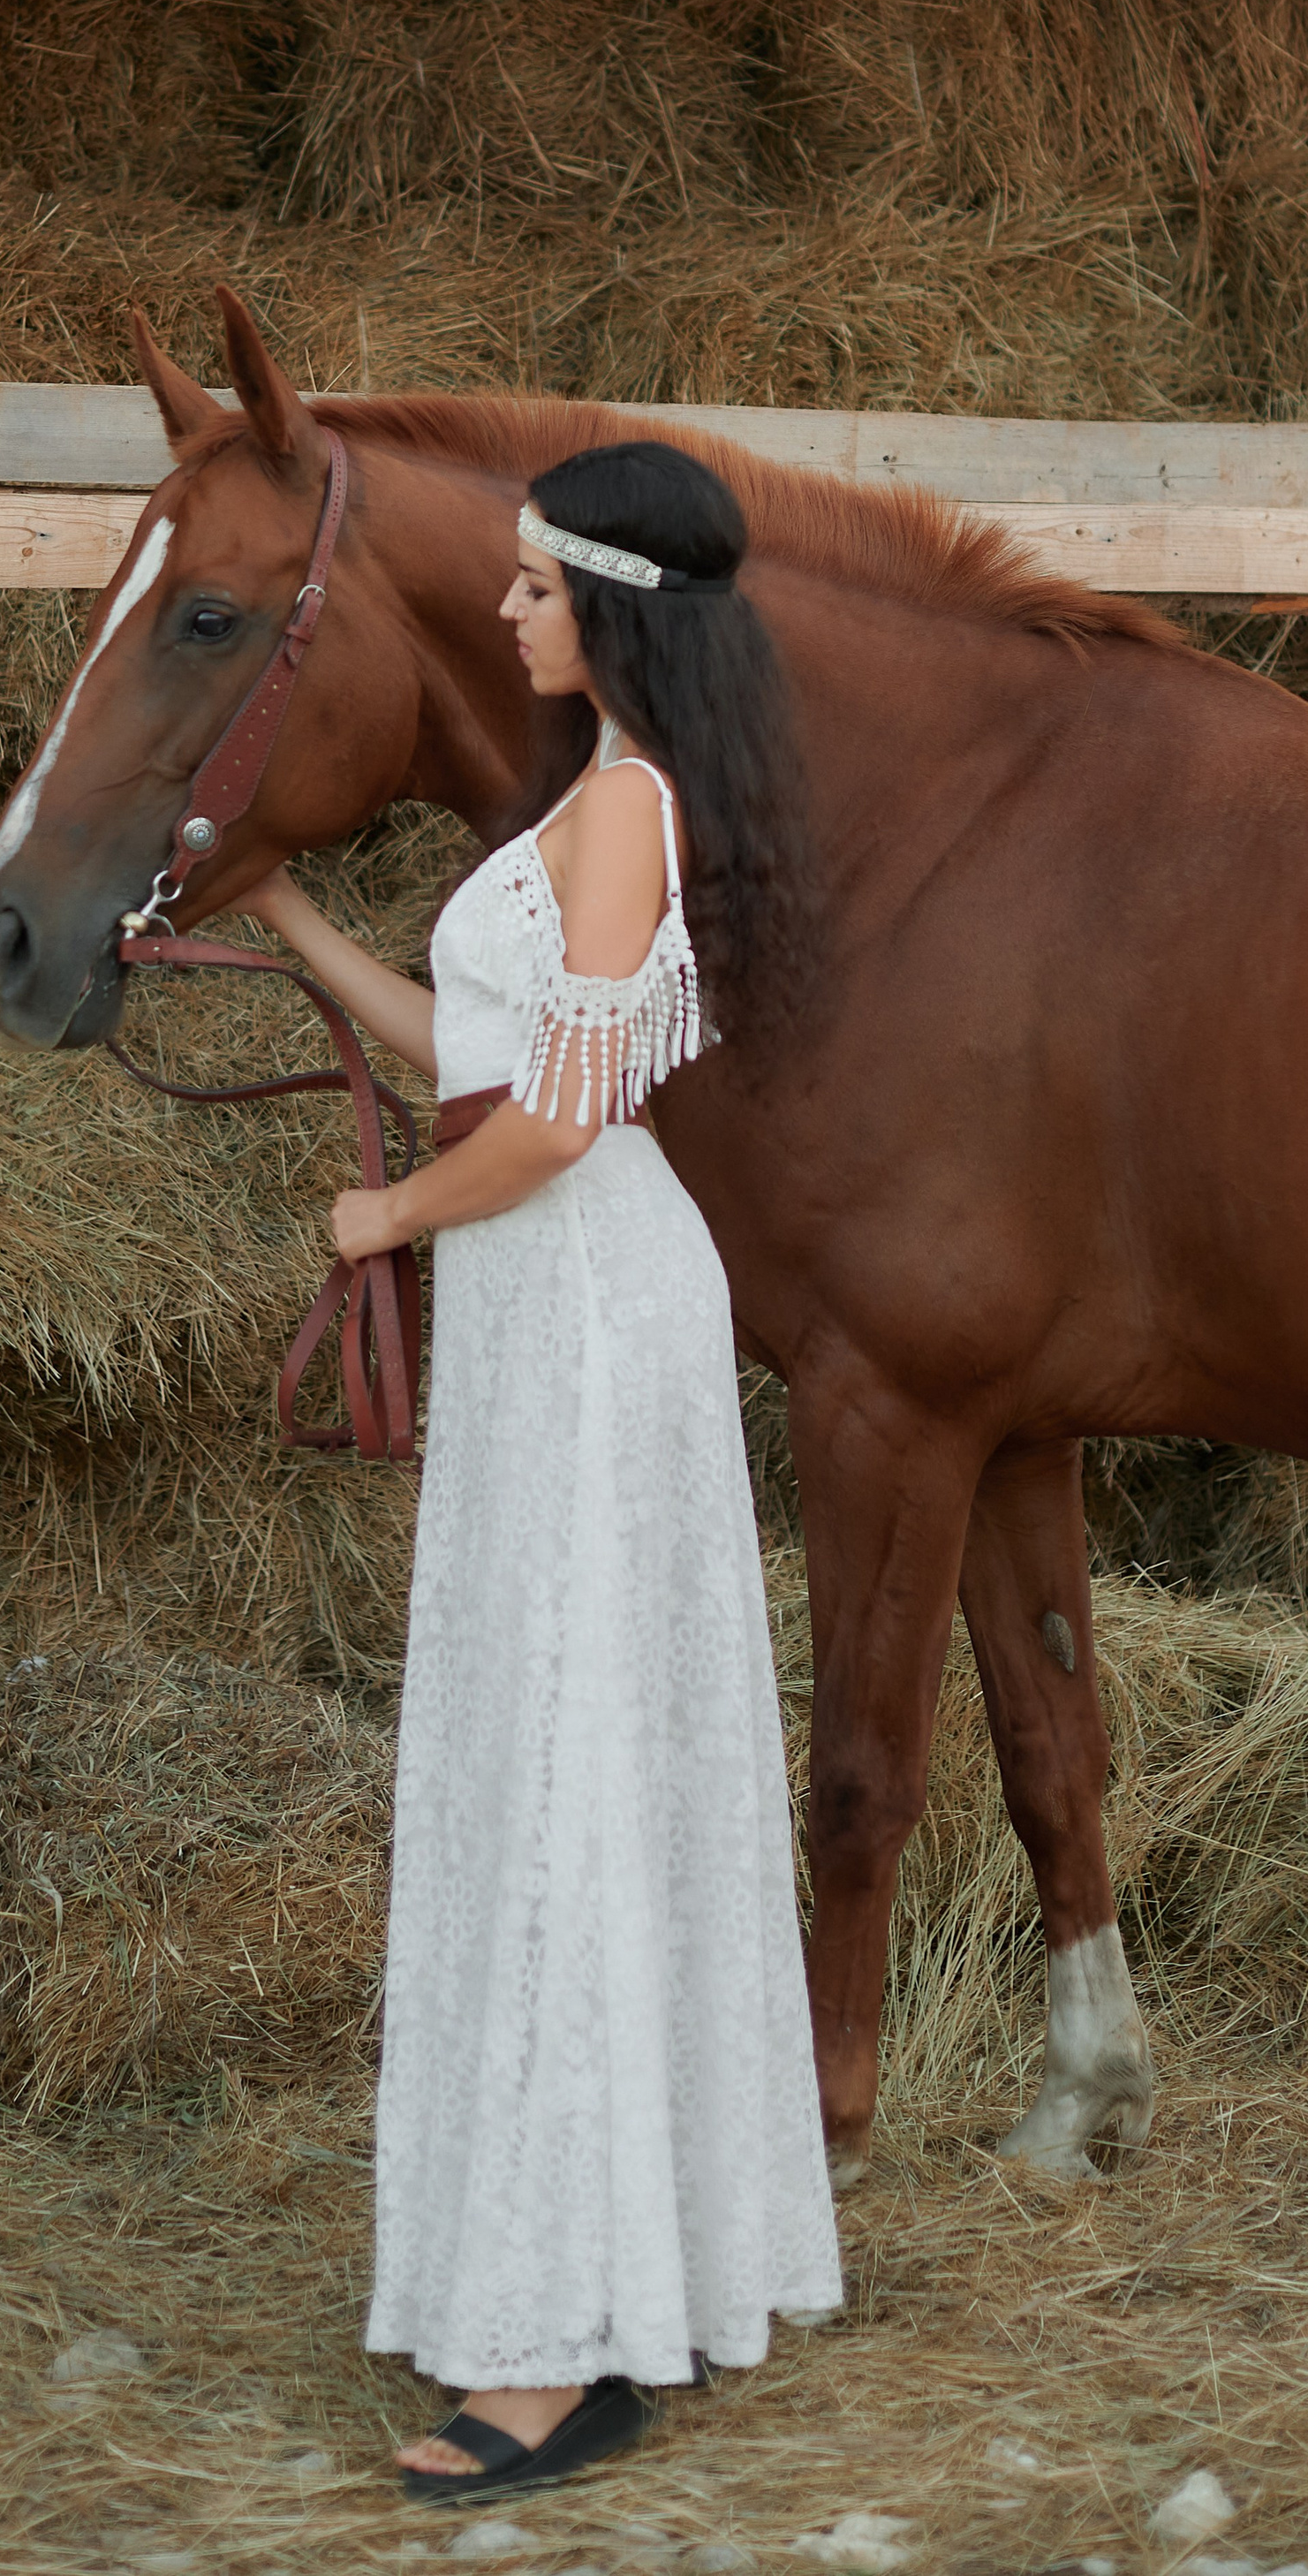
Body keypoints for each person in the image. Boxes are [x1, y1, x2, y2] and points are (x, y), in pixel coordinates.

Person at [240, 440, 841, 2505]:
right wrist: (286, 914)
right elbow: (475, 1056)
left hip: (579, 1297)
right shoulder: (582, 803)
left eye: (531, 588)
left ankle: (568, 2348)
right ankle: (583, 2272)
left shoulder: (626, 812)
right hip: (545, 1297)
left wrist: (389, 1223)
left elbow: (564, 1122)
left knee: (573, 1752)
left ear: (610, 608)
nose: (503, 615)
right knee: (544, 1744)